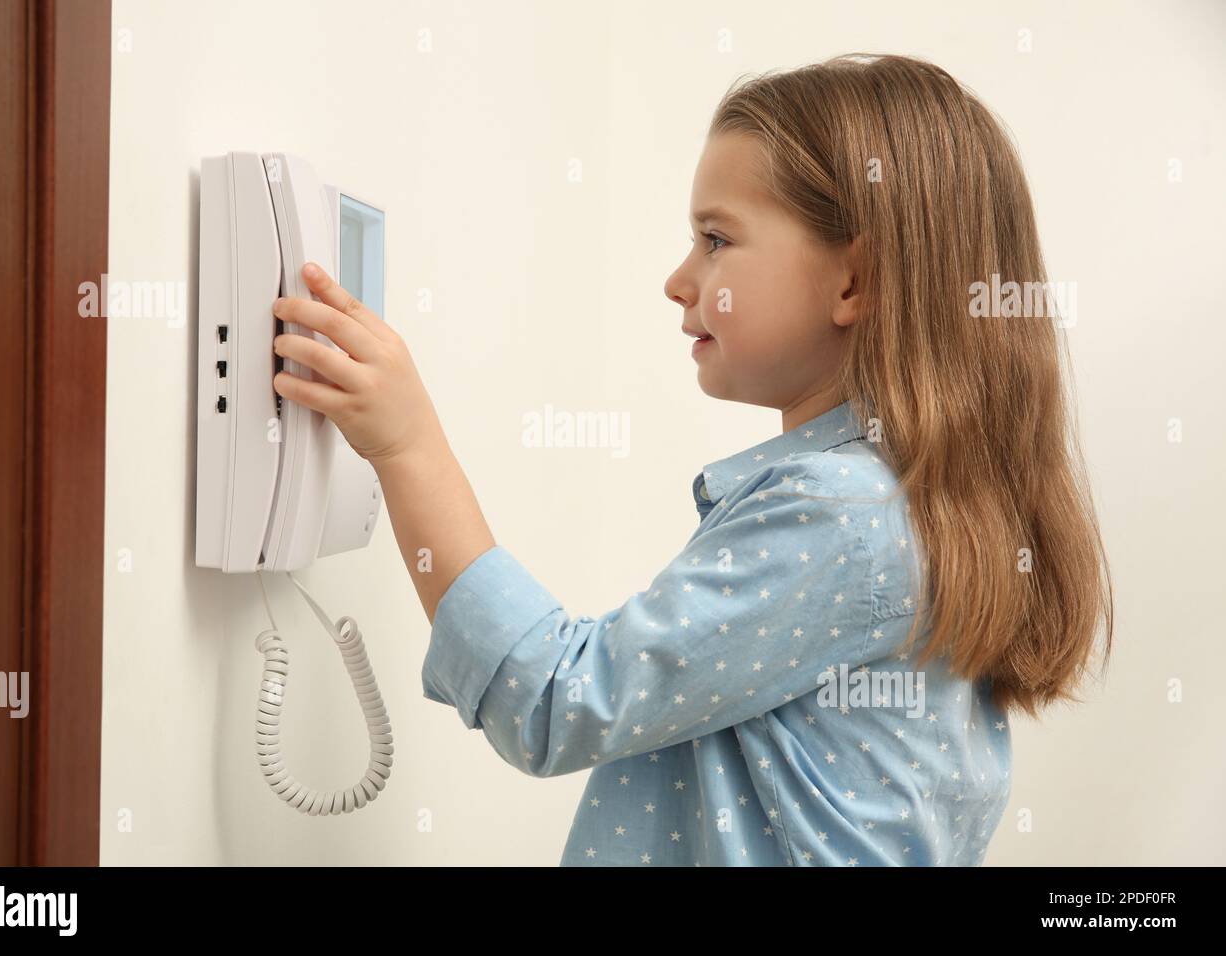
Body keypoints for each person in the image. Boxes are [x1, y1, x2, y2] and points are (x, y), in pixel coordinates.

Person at [269, 52, 1113, 866]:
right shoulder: (909, 506)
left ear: (854, 282)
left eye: (716, 239)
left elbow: (555, 701)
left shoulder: (843, 516)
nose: (679, 279)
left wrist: (408, 445)